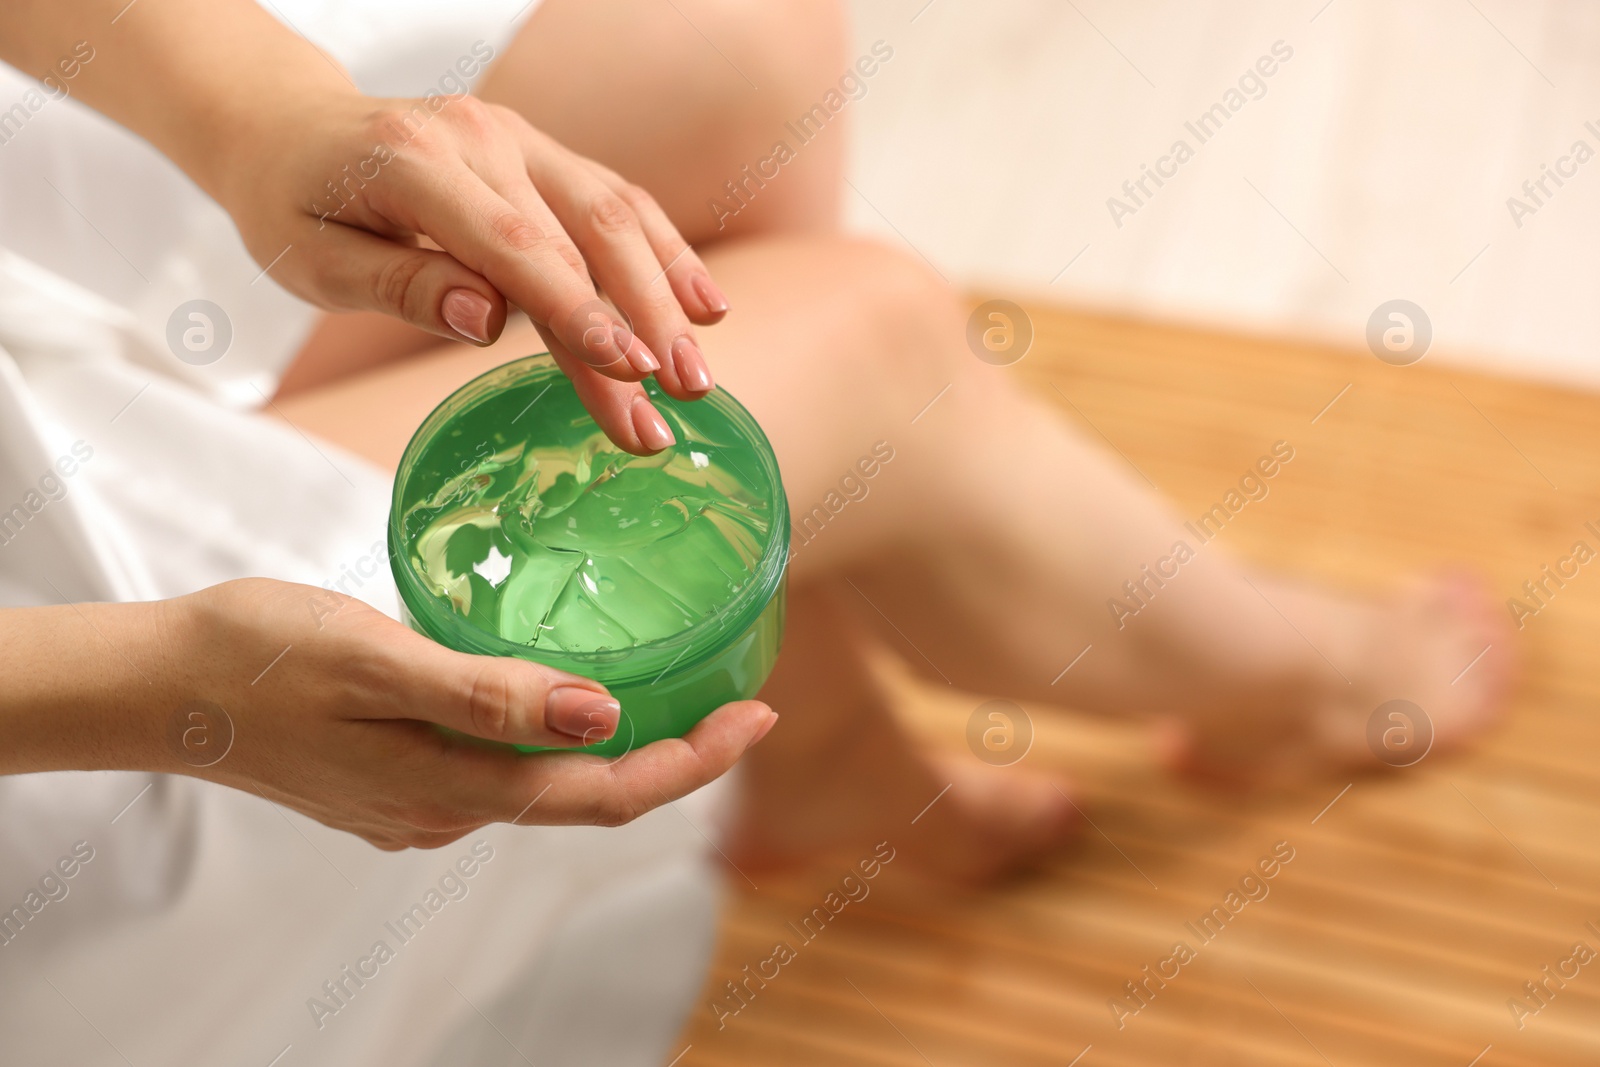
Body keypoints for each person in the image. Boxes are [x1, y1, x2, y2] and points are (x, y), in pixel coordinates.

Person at [0, 0, 1511, 1060]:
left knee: (725, 45)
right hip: (65, 701)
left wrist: (267, 118)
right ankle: (1279, 680)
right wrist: (181, 693)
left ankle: (814, 741)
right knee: (881, 343)